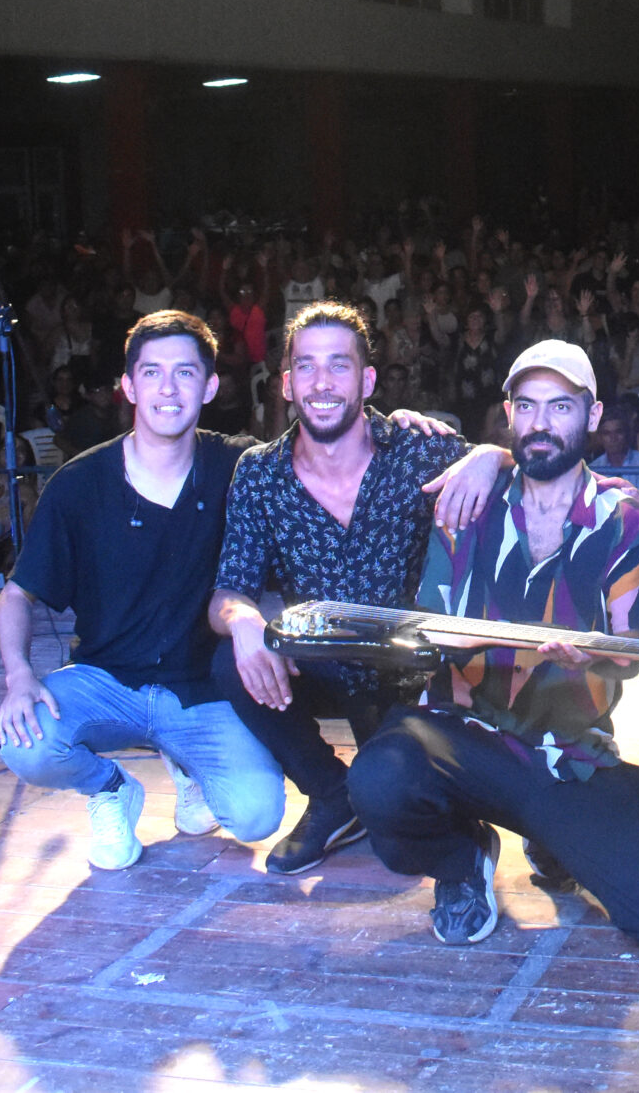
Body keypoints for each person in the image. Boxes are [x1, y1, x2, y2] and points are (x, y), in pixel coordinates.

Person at [351, 342, 639, 954]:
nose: (541, 423)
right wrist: (490, 635)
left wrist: (594, 653)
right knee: (380, 780)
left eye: (560, 407)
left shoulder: (625, 518)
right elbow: (430, 630)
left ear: (593, 415)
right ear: (509, 413)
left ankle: (553, 838)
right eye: (527, 406)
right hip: (459, 736)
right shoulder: (467, 501)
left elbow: (630, 652)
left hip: (567, 755)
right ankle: (464, 860)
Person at [206, 302, 498, 875]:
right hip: (325, 664)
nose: (322, 382)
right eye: (306, 366)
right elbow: (227, 592)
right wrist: (243, 621)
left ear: (367, 380)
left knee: (399, 828)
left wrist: (492, 455)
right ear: (286, 383)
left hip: (414, 670)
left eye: (339, 365)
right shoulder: (260, 473)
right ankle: (330, 793)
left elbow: (525, 475)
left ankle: (416, 796)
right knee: (229, 661)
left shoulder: (420, 449)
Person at [0, 311, 283, 870]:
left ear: (210, 386)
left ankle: (186, 765)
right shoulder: (79, 483)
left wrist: (406, 425)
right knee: (26, 743)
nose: (168, 389)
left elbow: (322, 444)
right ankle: (109, 788)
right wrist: (19, 677)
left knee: (257, 815)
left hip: (197, 689)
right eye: (152, 373)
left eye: (185, 373)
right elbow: (16, 596)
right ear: (128, 386)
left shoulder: (239, 467)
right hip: (105, 680)